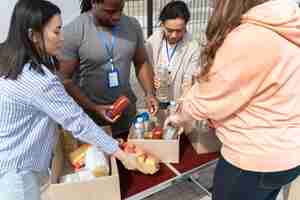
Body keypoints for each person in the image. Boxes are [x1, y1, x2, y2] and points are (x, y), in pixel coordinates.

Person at [0, 1, 142, 199]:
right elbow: (78, 122)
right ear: (33, 36)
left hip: (13, 160)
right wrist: (121, 155)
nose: (62, 38)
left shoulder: (8, 59)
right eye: (56, 32)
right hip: (18, 173)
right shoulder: (38, 80)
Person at [164, 0, 300, 200]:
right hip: (289, 154)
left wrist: (181, 115)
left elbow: (210, 95)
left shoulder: (249, 36)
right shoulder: (288, 26)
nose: (211, 4)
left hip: (252, 159)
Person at [59, 0, 159, 137]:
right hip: (92, 124)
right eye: (110, 11)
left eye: (121, 9)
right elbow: (65, 80)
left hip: (127, 120)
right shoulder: (74, 31)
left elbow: (141, 61)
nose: (117, 16)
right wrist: (94, 107)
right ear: (93, 2)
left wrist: (149, 93)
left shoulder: (132, 25)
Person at [145, 0, 201, 106]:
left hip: (179, 103)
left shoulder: (193, 47)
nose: (174, 35)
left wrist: (183, 105)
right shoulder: (152, 42)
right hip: (157, 102)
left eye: (179, 30)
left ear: (186, 26)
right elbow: (145, 68)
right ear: (162, 24)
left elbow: (188, 81)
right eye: (169, 30)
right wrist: (152, 79)